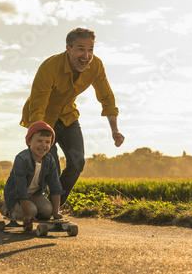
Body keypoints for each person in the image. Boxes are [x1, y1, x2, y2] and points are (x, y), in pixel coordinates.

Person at [20, 27, 125, 205]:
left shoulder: (96, 66)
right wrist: (35, 134)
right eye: (80, 49)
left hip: (68, 116)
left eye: (90, 49)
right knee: (51, 167)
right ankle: (33, 203)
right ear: (68, 49)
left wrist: (115, 130)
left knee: (77, 163)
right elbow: (38, 105)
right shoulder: (50, 67)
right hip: (43, 120)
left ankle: (53, 208)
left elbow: (107, 97)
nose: (86, 55)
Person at [1, 120, 64, 225]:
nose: (43, 145)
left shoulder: (49, 159)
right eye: (39, 141)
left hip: (36, 195)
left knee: (47, 211)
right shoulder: (22, 159)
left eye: (47, 142)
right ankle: (8, 209)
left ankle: (30, 209)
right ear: (29, 141)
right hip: (16, 196)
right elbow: (20, 188)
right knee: (32, 211)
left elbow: (55, 185)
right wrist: (28, 214)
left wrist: (56, 212)